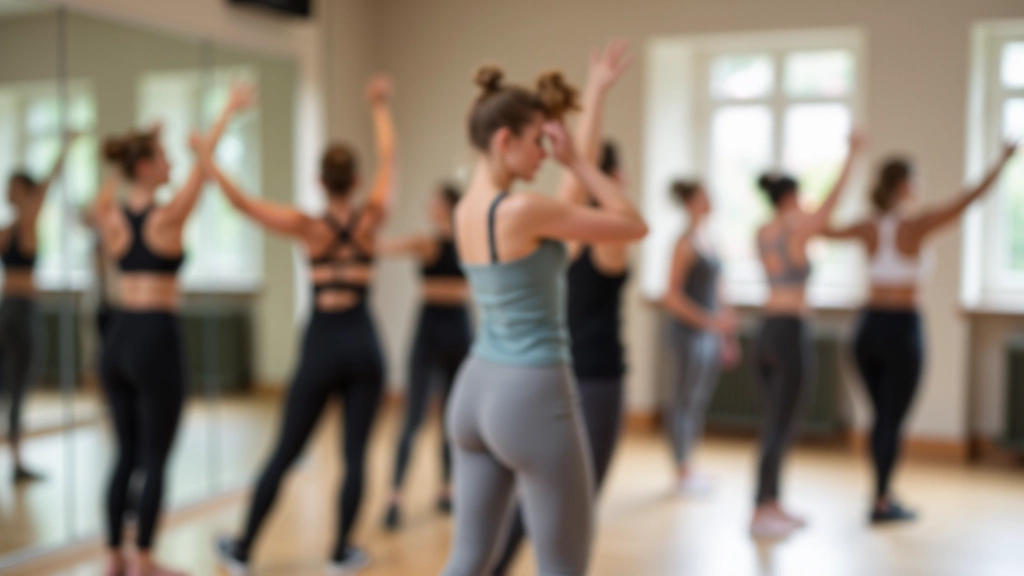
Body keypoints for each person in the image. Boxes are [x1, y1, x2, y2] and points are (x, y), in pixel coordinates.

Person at [441, 49, 647, 576]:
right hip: (531, 394)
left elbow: (570, 196)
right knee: (563, 566)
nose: (544, 156)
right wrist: (578, 161)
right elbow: (631, 223)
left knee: (468, 558)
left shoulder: (469, 208)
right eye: (537, 143)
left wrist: (596, 93)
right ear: (504, 140)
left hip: (474, 392)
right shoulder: (523, 211)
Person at [213, 75, 396, 575]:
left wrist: (213, 151)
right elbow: (391, 157)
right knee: (355, 455)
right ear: (354, 182)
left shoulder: (306, 226)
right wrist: (378, 105)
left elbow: (242, 204)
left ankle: (244, 549)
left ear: (320, 182)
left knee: (285, 452)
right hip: (364, 342)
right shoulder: (370, 217)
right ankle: (340, 554)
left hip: (322, 343)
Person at [489, 40, 635, 575]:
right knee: (572, 507)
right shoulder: (605, 239)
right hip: (595, 380)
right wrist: (592, 104)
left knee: (544, 501)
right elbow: (627, 217)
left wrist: (594, 97)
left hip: (541, 375)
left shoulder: (553, 235)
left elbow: (574, 184)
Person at [94, 86, 251, 576]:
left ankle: (112, 557)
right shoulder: (165, 218)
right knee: (156, 455)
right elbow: (204, 173)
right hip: (155, 338)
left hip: (116, 338)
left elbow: (104, 191)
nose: (171, 166)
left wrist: (137, 145)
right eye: (162, 159)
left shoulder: (112, 216)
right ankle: (143, 559)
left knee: (125, 454)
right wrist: (225, 112)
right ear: (143, 168)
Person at [824, 140, 1018, 523]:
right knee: (891, 420)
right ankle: (882, 500)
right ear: (904, 186)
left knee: (881, 418)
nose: (921, 184)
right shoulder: (916, 225)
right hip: (900, 329)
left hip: (866, 328)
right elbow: (969, 199)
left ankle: (881, 495)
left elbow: (822, 228)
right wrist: (1002, 161)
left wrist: (849, 161)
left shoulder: (867, 227)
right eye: (917, 179)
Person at [750, 131, 864, 539]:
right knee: (783, 425)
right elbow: (832, 205)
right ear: (791, 198)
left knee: (773, 423)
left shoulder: (762, 231)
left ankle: (771, 503)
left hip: (764, 330)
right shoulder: (796, 227)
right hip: (789, 332)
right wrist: (851, 154)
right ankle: (763, 508)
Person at [379, 182, 471, 529]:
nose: (429, 206)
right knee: (413, 416)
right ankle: (395, 496)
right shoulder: (428, 241)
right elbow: (384, 247)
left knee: (451, 417)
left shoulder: (462, 242)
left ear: (448, 206)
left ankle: (447, 489)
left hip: (457, 332)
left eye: (434, 201)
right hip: (433, 332)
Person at [1, 130, 75, 483]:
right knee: (16, 385)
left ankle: (16, 460)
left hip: (12, 310)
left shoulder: (20, 224)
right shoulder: (15, 228)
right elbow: (45, 187)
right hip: (18, 312)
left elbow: (46, 185)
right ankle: (16, 460)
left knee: (15, 387)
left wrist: (63, 149)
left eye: (14, 186)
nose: (8, 191)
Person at [659, 179, 738, 496]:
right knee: (681, 400)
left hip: (708, 334)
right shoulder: (683, 244)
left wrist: (725, 329)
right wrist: (711, 322)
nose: (711, 200)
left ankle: (690, 463)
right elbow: (672, 296)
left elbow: (718, 289)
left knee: (696, 400)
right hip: (687, 334)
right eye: (705, 195)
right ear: (691, 201)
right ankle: (681, 468)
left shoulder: (709, 240)